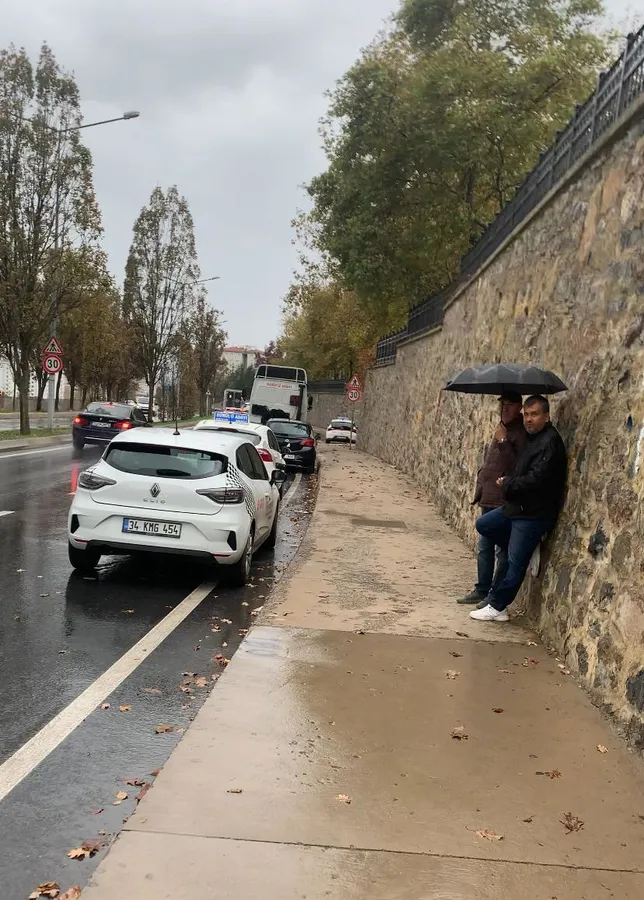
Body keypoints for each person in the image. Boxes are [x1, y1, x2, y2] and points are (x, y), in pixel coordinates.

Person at [469, 395, 567, 623]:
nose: (529, 419)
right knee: (485, 525)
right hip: (517, 507)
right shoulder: (533, 439)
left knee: (515, 563)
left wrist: (508, 483)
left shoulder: (550, 443)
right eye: (527, 414)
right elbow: (521, 469)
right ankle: (525, 547)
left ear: (546, 416)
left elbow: (537, 479)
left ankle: (498, 606)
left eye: (535, 414)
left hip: (533, 513)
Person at [457, 392, 526, 605]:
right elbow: (491, 462)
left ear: (519, 407)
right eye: (502, 404)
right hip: (489, 496)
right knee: (484, 548)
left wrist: (503, 440)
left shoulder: (520, 433)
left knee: (502, 551)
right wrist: (480, 485)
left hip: (503, 499)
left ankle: (493, 595)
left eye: (509, 405)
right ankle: (482, 589)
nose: (504, 408)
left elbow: (517, 466)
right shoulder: (501, 428)